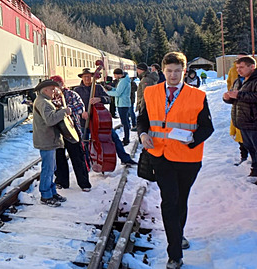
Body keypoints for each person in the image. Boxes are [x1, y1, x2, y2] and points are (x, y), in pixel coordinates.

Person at [138, 52, 214, 269]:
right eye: (169, 71)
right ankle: (175, 253)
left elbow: (208, 128)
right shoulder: (150, 92)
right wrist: (143, 134)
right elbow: (142, 119)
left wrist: (192, 139)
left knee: (181, 200)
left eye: (177, 71)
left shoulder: (197, 96)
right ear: (163, 71)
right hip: (160, 158)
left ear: (184, 71)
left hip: (188, 159)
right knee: (170, 201)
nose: (173, 75)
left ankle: (177, 234)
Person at [73, 68, 137, 165]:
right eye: (85, 77)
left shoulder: (98, 87)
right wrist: (81, 112)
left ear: (92, 77)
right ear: (81, 77)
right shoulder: (77, 90)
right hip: (84, 122)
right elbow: (73, 105)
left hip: (99, 121)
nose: (87, 79)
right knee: (84, 143)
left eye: (89, 76)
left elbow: (108, 99)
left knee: (114, 138)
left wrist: (99, 99)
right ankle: (86, 163)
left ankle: (125, 158)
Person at [51, 75, 92, 192]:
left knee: (78, 157)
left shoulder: (72, 94)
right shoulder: (50, 97)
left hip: (72, 130)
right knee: (59, 158)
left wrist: (66, 110)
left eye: (57, 85)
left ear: (62, 84)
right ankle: (62, 182)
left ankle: (84, 183)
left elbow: (80, 107)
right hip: (57, 132)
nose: (55, 88)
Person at [33, 79, 69, 207]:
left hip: (49, 139)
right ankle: (46, 195)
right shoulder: (43, 102)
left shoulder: (44, 101)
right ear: (45, 90)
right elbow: (50, 120)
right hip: (46, 140)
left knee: (52, 168)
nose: (54, 91)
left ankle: (52, 192)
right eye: (52, 89)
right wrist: (64, 112)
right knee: (48, 169)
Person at [223, 55, 257, 178]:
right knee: (250, 147)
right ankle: (254, 168)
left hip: (254, 122)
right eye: (237, 67)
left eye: (241, 67)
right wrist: (227, 98)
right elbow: (235, 98)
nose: (238, 70)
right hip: (243, 121)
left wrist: (239, 95)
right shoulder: (238, 80)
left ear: (252, 67)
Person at [227, 53, 250, 165]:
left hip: (250, 113)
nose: (239, 65)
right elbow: (229, 85)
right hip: (238, 109)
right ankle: (244, 157)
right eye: (238, 61)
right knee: (240, 135)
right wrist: (229, 96)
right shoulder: (233, 72)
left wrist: (238, 96)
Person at [105, 68, 132, 145]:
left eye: (115, 75)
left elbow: (118, 93)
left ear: (118, 74)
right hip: (123, 103)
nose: (114, 77)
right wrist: (112, 89)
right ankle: (126, 138)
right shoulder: (124, 80)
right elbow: (118, 90)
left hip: (123, 104)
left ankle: (126, 139)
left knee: (125, 122)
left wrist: (107, 92)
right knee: (125, 122)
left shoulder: (123, 81)